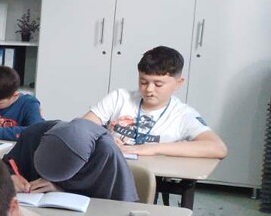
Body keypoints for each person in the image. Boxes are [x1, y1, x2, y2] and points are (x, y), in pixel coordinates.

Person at [82, 45, 227, 158]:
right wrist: (105, 139)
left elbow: (218, 148)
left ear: (178, 83)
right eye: (143, 82)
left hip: (154, 176)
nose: (149, 89)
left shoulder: (183, 115)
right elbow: (81, 128)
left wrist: (152, 148)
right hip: (110, 167)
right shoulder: (119, 98)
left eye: (158, 84)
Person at [8, 118, 138, 201]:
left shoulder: (106, 154)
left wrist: (61, 191)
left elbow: (119, 208)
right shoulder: (33, 135)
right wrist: (10, 177)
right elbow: (6, 165)